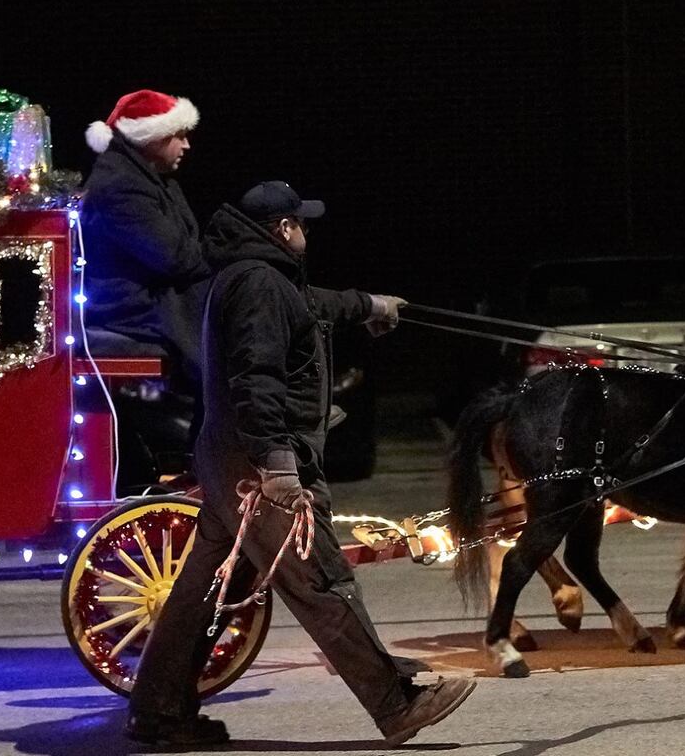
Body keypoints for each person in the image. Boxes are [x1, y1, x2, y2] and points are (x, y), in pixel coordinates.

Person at [126, 181, 475, 748]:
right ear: (282, 229)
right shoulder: (262, 284)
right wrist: (278, 466)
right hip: (255, 466)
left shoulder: (256, 276)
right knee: (320, 580)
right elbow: (256, 379)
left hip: (229, 457)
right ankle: (395, 703)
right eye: (301, 224)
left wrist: (369, 306)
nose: (306, 232)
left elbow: (313, 308)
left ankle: (159, 711)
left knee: (201, 591)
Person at [80, 90, 211, 387]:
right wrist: (222, 254)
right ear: (153, 137)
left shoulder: (152, 178)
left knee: (249, 291)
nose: (187, 144)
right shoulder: (120, 185)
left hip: (156, 296)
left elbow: (186, 247)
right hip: (130, 309)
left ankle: (285, 398)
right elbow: (176, 258)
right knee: (240, 301)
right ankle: (264, 409)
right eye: (180, 135)